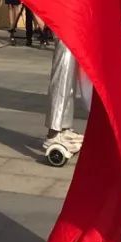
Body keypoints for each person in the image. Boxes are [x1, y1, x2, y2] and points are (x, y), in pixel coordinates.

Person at [42, 29, 91, 158]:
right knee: (63, 73)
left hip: (74, 23)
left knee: (70, 77)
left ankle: (64, 127)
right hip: (64, 24)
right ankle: (53, 131)